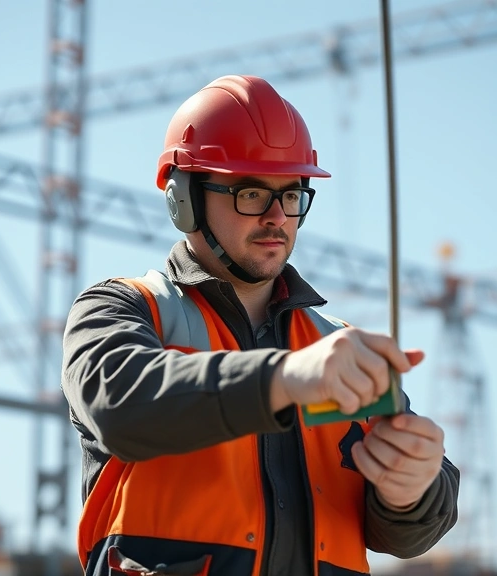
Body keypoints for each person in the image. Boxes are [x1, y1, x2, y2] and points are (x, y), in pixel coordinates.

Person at [61, 74, 460, 576]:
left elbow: (405, 533)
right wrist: (287, 378)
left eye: (291, 194)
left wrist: (411, 491)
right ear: (182, 197)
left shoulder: (334, 346)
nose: (277, 216)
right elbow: (119, 405)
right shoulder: (122, 308)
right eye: (251, 193)